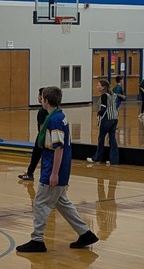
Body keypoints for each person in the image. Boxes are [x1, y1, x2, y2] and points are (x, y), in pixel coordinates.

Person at [16, 86, 98, 253]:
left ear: (46, 100)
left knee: (39, 203)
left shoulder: (54, 120)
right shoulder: (59, 116)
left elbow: (58, 147)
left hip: (53, 168)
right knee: (63, 203)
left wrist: (54, 173)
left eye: (42, 98)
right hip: (58, 167)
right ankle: (85, 233)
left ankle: (37, 240)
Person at [18, 88, 49, 182]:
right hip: (48, 138)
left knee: (36, 155)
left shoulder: (42, 111)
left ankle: (30, 173)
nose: (38, 97)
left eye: (39, 96)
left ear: (42, 97)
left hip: (42, 137)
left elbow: (41, 128)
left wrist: (41, 140)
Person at [90, 79, 120, 166]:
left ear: (103, 87)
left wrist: (98, 113)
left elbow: (103, 109)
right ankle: (114, 160)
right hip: (114, 118)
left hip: (106, 119)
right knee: (112, 140)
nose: (97, 87)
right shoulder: (114, 95)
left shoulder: (104, 96)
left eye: (98, 85)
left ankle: (97, 158)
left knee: (101, 139)